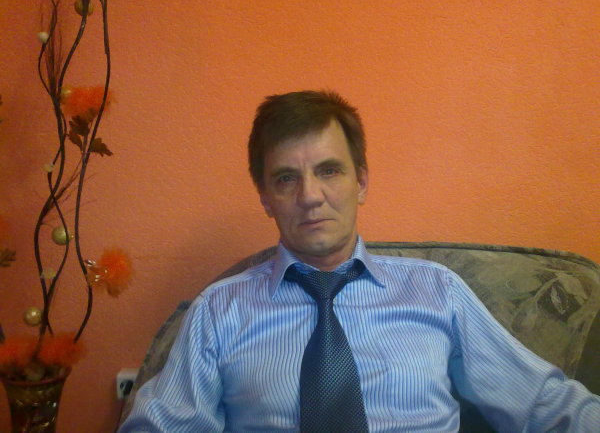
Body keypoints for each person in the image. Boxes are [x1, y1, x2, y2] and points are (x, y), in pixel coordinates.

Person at [120, 90, 600, 432]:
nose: (310, 196)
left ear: (362, 183)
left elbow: (545, 404)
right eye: (286, 179)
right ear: (265, 197)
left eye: (329, 170)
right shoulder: (218, 311)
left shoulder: (438, 291)